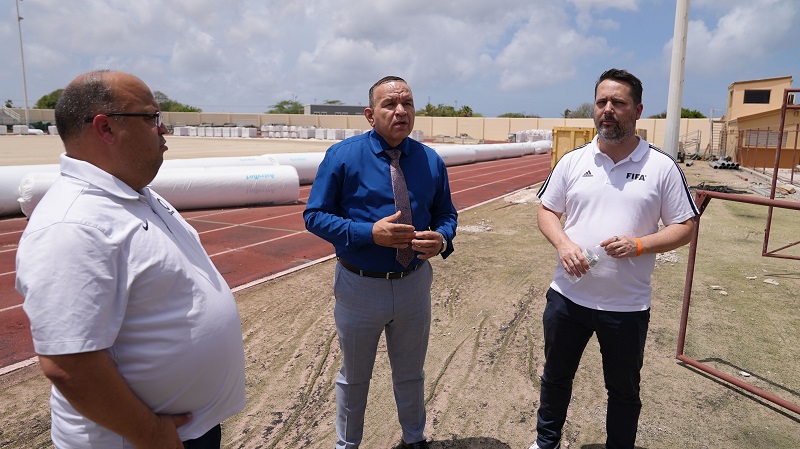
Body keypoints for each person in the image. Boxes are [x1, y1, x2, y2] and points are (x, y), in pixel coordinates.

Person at [15, 70, 246, 449]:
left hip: (185, 431)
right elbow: (69, 362)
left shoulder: (137, 195)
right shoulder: (72, 225)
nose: (164, 128)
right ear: (106, 128)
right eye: (152, 116)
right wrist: (150, 433)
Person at [530, 68, 700, 449]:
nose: (607, 109)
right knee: (555, 377)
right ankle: (545, 441)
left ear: (637, 110)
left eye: (618, 103)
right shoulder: (574, 161)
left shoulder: (661, 167)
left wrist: (639, 245)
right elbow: (546, 210)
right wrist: (563, 244)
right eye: (601, 102)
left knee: (623, 391)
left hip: (626, 307)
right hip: (567, 299)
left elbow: (686, 226)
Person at [304, 75, 457, 449]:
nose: (401, 110)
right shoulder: (342, 157)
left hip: (413, 283)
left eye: (407, 103)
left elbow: (446, 214)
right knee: (355, 376)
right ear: (370, 115)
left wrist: (442, 238)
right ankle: (348, 444)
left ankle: (414, 439)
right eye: (390, 104)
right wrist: (368, 233)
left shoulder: (430, 160)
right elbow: (314, 216)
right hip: (360, 286)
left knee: (410, 373)